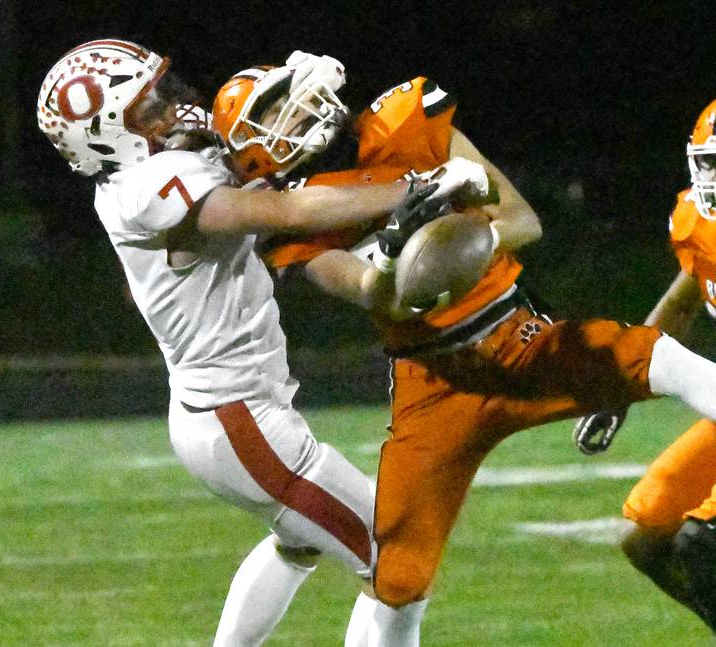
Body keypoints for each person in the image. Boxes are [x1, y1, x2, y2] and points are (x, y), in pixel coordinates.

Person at [212, 63, 716, 620]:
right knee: (396, 580)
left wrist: (471, 239)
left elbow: (522, 220)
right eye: (272, 112)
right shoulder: (291, 219)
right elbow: (376, 296)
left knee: (654, 357)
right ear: (251, 150)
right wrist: (395, 253)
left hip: (517, 335)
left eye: (289, 98)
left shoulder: (402, 123)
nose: (297, 110)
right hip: (432, 382)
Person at [36, 40, 473, 646]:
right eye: (149, 108)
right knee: (399, 558)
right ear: (111, 138)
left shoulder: (151, 175)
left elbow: (250, 161)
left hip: (224, 416)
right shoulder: (148, 184)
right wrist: (414, 188)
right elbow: (286, 211)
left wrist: (283, 100)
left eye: (163, 90)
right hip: (238, 421)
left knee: (299, 544)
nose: (172, 107)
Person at [573, 100, 716, 632]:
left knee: (703, 541)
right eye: (712, 162)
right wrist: (622, 388)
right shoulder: (700, 224)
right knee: (649, 536)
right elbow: (682, 302)